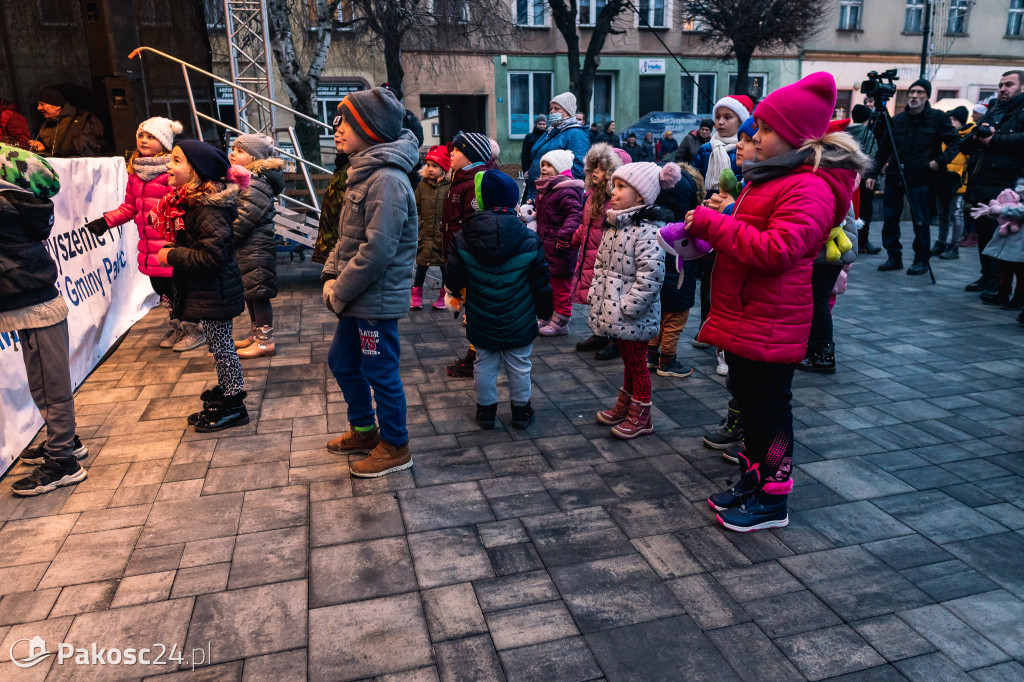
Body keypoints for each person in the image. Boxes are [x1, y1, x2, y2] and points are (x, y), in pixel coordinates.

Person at [685, 72, 865, 532]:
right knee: (748, 398)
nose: (755, 138)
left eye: (764, 130)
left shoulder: (809, 186)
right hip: (750, 313)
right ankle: (755, 475)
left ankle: (774, 495)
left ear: (796, 137)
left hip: (772, 318)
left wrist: (714, 225)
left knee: (769, 407)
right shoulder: (771, 179)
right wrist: (720, 219)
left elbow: (776, 249)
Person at [321, 87, 418, 477]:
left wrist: (338, 290)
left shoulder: (387, 180)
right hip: (355, 297)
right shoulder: (363, 171)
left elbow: (377, 251)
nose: (336, 129)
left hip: (372, 300)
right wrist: (331, 275)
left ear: (369, 128)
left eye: (344, 121)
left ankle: (396, 445)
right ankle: (364, 429)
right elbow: (346, 239)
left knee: (380, 372)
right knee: (343, 361)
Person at [1, 145, 89, 495]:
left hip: (36, 305)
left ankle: (63, 460)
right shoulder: (13, 202)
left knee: (50, 387)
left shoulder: (4, 207)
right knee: (43, 384)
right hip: (30, 301)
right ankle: (65, 440)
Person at [444, 169, 553, 430]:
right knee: (519, 365)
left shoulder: (463, 238)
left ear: (479, 200)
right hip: (520, 318)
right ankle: (521, 411)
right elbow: (541, 280)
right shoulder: (528, 238)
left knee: (484, 364)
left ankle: (486, 413)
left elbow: (453, 277)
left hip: (481, 318)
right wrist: (545, 311)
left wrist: (455, 294)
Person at [153, 140, 250, 433]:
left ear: (196, 171)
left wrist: (172, 255)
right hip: (209, 292)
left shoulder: (208, 209)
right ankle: (226, 391)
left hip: (216, 292)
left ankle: (235, 402)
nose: (168, 165)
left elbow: (212, 257)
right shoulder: (192, 202)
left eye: (177, 160)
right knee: (218, 346)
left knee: (223, 348)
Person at [590, 161, 681, 439]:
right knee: (630, 362)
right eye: (613, 186)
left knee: (638, 363)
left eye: (621, 187)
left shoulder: (647, 230)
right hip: (616, 311)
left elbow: (651, 275)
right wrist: (598, 295)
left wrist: (628, 306)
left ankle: (642, 415)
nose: (613, 192)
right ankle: (627, 404)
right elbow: (602, 266)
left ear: (640, 195)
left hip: (633, 314)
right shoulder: (616, 223)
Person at [84, 117, 188, 349]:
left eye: (151, 137)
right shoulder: (136, 172)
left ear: (165, 142)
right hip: (149, 247)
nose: (144, 140)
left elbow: (185, 203)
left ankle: (190, 328)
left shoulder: (172, 171)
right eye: (141, 136)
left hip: (172, 244)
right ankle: (175, 326)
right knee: (163, 292)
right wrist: (105, 221)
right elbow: (130, 207)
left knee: (180, 289)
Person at [866, 78, 960, 275]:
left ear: (927, 96)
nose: (914, 96)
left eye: (919, 93)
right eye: (911, 92)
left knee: (920, 220)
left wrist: (939, 161)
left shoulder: (937, 118)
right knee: (890, 219)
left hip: (921, 178)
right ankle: (894, 256)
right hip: (894, 176)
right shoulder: (897, 120)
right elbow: (883, 149)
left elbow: (954, 143)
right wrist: (873, 172)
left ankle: (921, 260)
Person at [797, 117, 863, 374]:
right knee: (818, 301)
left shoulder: (828, 178)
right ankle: (817, 352)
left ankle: (823, 355)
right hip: (832, 253)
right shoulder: (840, 176)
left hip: (827, 253)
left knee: (818, 301)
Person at [960, 70, 1024, 297]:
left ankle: (999, 282)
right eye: (1000, 85)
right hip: (982, 182)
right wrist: (977, 136)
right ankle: (987, 275)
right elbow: (966, 142)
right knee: (984, 233)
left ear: (1022, 87)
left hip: (1008, 186)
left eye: (1008, 84)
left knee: (1002, 235)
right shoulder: (994, 109)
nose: (1003, 89)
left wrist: (994, 139)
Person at [443, 131, 498, 378]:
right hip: (458, 255)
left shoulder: (476, 181)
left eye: (457, 149)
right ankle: (478, 352)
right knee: (471, 309)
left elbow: (475, 225)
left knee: (475, 310)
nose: (451, 153)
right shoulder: (459, 178)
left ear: (471, 155)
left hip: (469, 259)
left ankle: (477, 357)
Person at [228, 133, 284, 358]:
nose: (233, 153)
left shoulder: (256, 183)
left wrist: (224, 238)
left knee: (259, 295)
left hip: (256, 249)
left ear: (254, 158)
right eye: (233, 148)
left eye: (240, 151)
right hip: (247, 250)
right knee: (251, 293)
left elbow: (243, 219)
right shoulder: (245, 180)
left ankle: (265, 341)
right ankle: (256, 334)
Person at [572, 144, 629, 357]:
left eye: (602, 168)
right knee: (596, 297)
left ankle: (616, 340)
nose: (595, 172)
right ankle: (599, 334)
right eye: (593, 167)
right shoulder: (591, 195)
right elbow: (586, 224)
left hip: (609, 260)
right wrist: (575, 238)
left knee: (612, 299)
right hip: (591, 256)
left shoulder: (615, 202)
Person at [649, 162, 703, 379]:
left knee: (659, 314)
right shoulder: (686, 228)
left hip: (658, 283)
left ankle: (651, 354)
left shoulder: (654, 224)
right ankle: (668, 359)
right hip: (680, 280)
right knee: (676, 318)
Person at [532, 149, 584, 336]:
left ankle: (561, 320)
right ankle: (549, 315)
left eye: (549, 165)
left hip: (560, 246)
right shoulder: (548, 188)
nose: (544, 169)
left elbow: (575, 215)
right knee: (549, 283)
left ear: (560, 168)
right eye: (543, 165)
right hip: (547, 244)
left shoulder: (565, 189)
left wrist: (563, 237)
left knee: (561, 285)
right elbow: (551, 214)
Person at [524, 93, 591, 200]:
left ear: (568, 112)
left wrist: (561, 193)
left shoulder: (576, 134)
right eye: (551, 108)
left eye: (557, 109)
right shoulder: (551, 131)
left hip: (553, 195)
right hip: (537, 191)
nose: (552, 112)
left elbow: (578, 168)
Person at [931, 106, 974, 260]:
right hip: (942, 182)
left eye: (954, 120)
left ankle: (954, 245)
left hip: (958, 185)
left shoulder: (968, 138)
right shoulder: (943, 136)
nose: (951, 122)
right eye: (950, 119)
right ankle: (941, 242)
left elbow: (970, 161)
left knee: (956, 214)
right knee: (942, 215)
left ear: (961, 122)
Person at [412, 145, 451, 311]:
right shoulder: (422, 186)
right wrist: (419, 224)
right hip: (426, 233)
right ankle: (416, 296)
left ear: (443, 168)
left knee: (444, 267)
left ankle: (443, 296)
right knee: (421, 264)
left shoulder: (449, 187)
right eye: (428, 165)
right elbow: (416, 207)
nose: (430, 169)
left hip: (442, 234)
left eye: (434, 166)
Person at [313, 111, 350, 264]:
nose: (336, 136)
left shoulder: (353, 169)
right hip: (334, 247)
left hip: (344, 252)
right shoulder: (341, 166)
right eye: (334, 132)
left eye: (341, 132)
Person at [29, 87, 104, 157]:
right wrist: (43, 148)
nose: (38, 108)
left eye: (42, 104)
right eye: (38, 104)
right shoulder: (45, 124)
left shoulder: (78, 121)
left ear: (57, 106)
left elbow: (76, 149)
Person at [846, 104, 881, 254]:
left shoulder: (844, 132)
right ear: (868, 119)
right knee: (865, 210)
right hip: (864, 178)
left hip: (847, 178)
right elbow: (873, 158)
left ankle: (847, 240)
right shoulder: (868, 133)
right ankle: (863, 242)